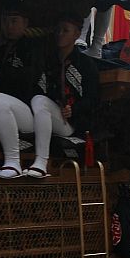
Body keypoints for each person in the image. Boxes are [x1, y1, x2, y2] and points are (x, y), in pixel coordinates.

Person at [25, 15, 99, 178]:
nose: (60, 34)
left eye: (65, 30)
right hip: (49, 113)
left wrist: (73, 109)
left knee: (40, 101)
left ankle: (41, 161)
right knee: (37, 100)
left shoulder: (86, 64)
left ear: (76, 34)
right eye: (58, 30)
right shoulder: (49, 61)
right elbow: (39, 89)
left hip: (72, 122)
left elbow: (93, 99)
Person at [0, 2, 45, 179]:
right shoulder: (0, 51)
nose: (9, 26)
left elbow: (31, 77)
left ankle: (13, 163)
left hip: (32, 114)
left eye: (14, 21)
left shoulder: (33, 48)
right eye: (5, 21)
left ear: (25, 23)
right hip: (6, 113)